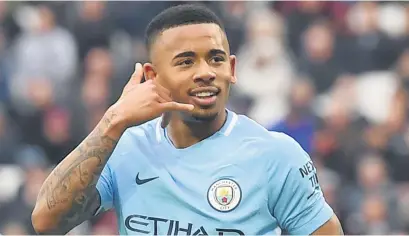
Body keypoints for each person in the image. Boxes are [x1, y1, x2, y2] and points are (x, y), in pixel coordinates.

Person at [32, 4, 343, 235]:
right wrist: (113, 120)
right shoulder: (124, 147)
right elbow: (47, 221)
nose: (205, 71)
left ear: (232, 70)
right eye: (186, 61)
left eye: (216, 58)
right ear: (152, 77)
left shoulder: (275, 155)